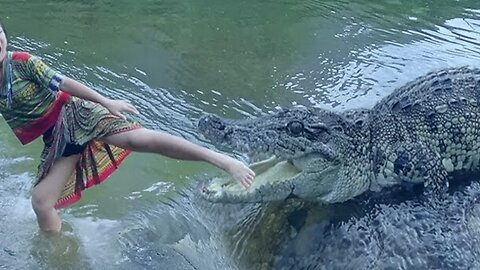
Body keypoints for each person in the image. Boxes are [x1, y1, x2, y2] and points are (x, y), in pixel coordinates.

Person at [0, 21, 255, 233]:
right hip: (56, 138)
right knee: (42, 203)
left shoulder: (23, 63)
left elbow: (65, 83)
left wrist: (106, 102)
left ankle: (224, 161)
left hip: (77, 114)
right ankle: (64, 253)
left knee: (139, 140)